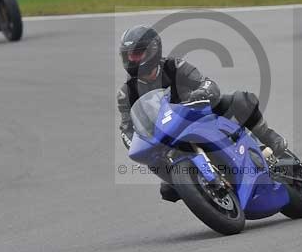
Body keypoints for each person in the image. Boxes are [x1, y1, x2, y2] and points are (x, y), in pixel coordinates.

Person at [117, 25, 288, 202]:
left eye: (137, 54)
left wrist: (202, 91)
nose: (133, 60)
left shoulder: (174, 66)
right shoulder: (126, 92)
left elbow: (206, 83)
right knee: (165, 187)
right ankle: (185, 184)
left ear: (153, 49)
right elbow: (126, 128)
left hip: (197, 114)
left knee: (240, 99)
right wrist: (136, 145)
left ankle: (269, 137)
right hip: (167, 137)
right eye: (129, 55)